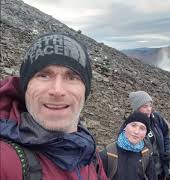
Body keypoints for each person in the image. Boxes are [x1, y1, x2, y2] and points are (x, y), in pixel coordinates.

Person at [0, 33, 107, 179]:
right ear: (25, 87)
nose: (57, 91)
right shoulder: (6, 160)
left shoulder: (88, 151)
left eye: (72, 77)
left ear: (85, 90)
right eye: (43, 75)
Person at [128, 91, 170, 180]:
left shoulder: (156, 118)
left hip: (162, 170)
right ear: (137, 109)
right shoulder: (131, 126)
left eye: (150, 105)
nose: (149, 109)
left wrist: (168, 150)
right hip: (146, 175)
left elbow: (165, 135)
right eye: (145, 106)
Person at [100, 111, 157, 180]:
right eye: (133, 125)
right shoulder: (108, 154)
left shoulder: (146, 155)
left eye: (142, 128)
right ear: (125, 127)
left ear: (145, 134)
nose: (136, 131)